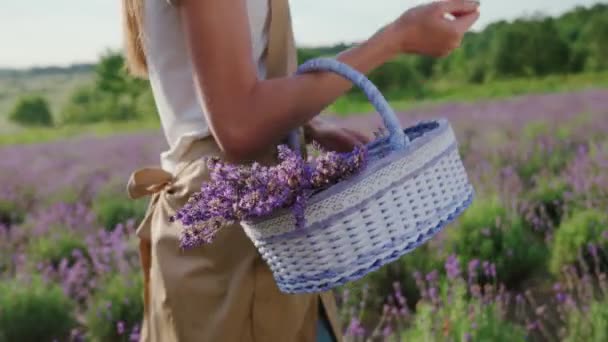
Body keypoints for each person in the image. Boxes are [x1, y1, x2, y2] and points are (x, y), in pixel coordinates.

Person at [121, 0, 480, 341]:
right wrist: (396, 39)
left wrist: (310, 125)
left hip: (262, 226)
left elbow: (229, 89)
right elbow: (239, 124)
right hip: (232, 242)